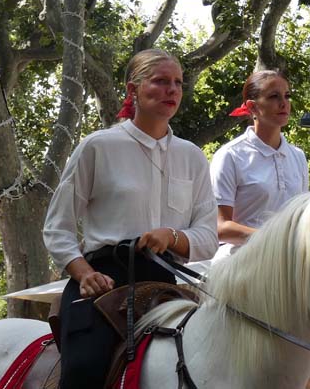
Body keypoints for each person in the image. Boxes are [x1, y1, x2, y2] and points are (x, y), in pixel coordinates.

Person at [43, 49, 218, 389]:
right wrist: (85, 274)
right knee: (83, 369)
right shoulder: (98, 147)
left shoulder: (192, 157)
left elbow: (208, 237)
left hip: (170, 281)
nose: (172, 90)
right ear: (132, 90)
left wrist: (171, 236)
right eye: (161, 81)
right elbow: (57, 227)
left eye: (178, 83)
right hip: (105, 280)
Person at [211, 70, 309, 257]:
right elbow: (220, 226)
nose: (284, 103)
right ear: (252, 107)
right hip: (242, 262)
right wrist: (273, 239)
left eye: (287, 96)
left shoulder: (297, 156)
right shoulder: (230, 155)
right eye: (274, 96)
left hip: (290, 261)